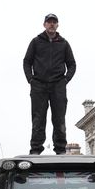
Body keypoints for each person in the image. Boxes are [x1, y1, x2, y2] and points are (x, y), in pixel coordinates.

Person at [23, 13, 76, 156]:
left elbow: (72, 64)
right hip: (38, 85)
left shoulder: (64, 44)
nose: (51, 24)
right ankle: (35, 149)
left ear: (57, 25)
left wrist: (65, 80)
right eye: (49, 22)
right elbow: (27, 62)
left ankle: (60, 149)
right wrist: (31, 79)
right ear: (44, 24)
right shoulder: (36, 42)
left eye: (54, 22)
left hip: (58, 85)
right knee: (38, 118)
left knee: (59, 117)